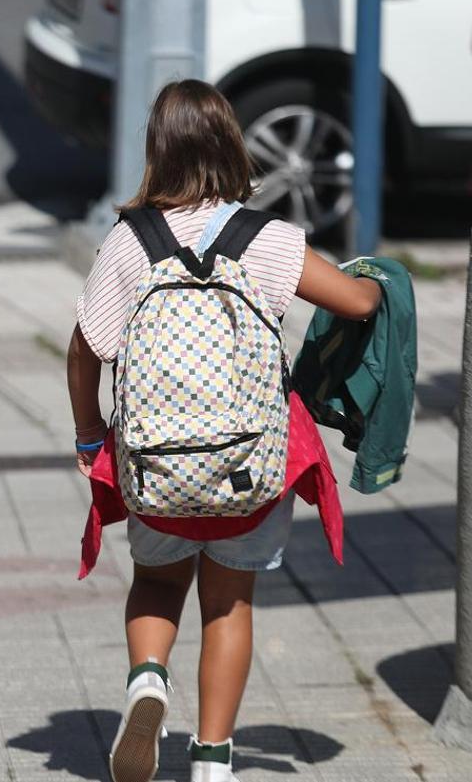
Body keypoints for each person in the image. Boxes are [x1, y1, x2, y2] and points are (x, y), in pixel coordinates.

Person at [67, 79, 382, 782]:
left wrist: (91, 432)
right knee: (229, 597)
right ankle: (213, 758)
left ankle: (148, 679)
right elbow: (358, 302)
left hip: (157, 464)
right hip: (247, 464)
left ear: (157, 151)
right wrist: (382, 282)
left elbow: (85, 347)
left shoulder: (130, 241)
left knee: (156, 583)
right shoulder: (264, 239)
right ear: (231, 147)